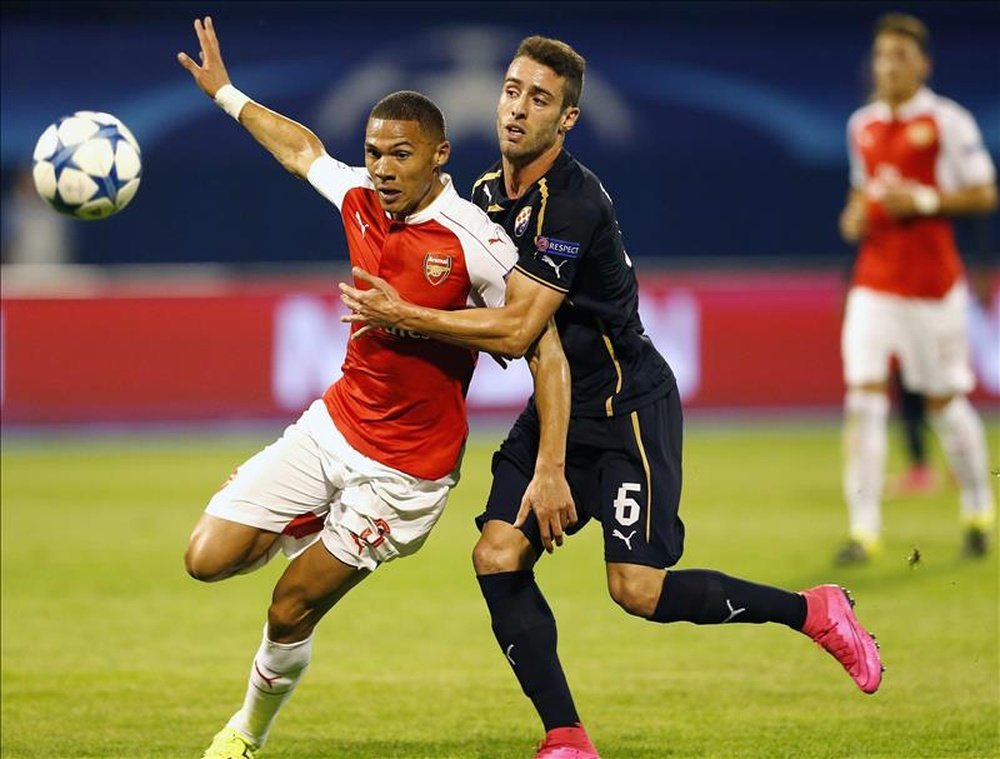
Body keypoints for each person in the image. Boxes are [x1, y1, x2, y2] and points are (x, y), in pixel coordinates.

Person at [340, 35, 884, 759]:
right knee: (497, 553)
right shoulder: (480, 198)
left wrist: (549, 463)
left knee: (637, 589)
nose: (516, 108)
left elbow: (520, 328)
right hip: (557, 407)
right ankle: (566, 736)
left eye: (539, 99)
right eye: (511, 90)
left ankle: (813, 609)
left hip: (627, 409)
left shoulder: (573, 203)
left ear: (566, 120)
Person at [176, 17, 572, 759]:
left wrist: (549, 465)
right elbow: (302, 151)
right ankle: (302, 521)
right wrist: (225, 92)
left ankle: (245, 731)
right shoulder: (358, 197)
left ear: (438, 155)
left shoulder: (475, 239)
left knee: (290, 604)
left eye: (400, 154)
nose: (382, 169)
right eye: (373, 153)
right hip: (334, 426)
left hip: (404, 473)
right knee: (204, 556)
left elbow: (537, 345)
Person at [836, 12, 997, 564]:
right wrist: (853, 219)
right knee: (864, 400)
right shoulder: (863, 125)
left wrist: (926, 201)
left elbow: (983, 193)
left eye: (899, 57)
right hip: (874, 284)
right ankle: (863, 530)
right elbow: (863, 195)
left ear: (923, 65)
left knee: (944, 403)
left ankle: (978, 505)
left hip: (933, 289)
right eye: (881, 56)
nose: (888, 66)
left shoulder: (948, 122)